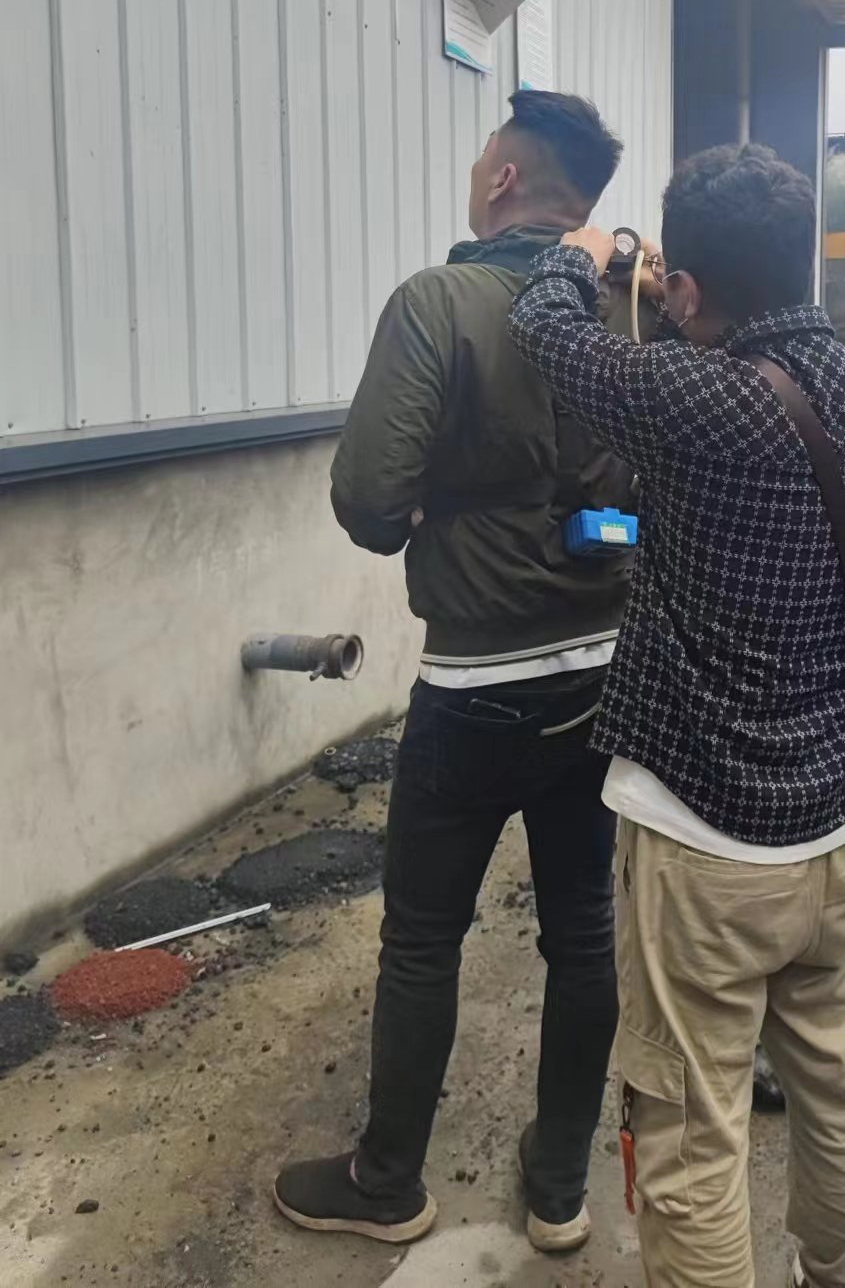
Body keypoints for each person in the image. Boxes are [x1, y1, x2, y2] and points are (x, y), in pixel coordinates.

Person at [508, 142, 845, 1288]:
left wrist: (582, 251)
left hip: (708, 836)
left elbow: (544, 332)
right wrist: (666, 284)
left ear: (686, 289)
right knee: (839, 1079)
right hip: (841, 820)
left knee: (690, 1120)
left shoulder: (690, 397)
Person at [274, 91, 649, 1255]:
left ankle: (387, 1181)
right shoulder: (628, 313)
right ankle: (558, 1189)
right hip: (603, 673)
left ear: (501, 179)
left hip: (477, 684)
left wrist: (428, 505)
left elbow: (366, 500)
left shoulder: (436, 302)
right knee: (582, 933)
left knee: (423, 937)